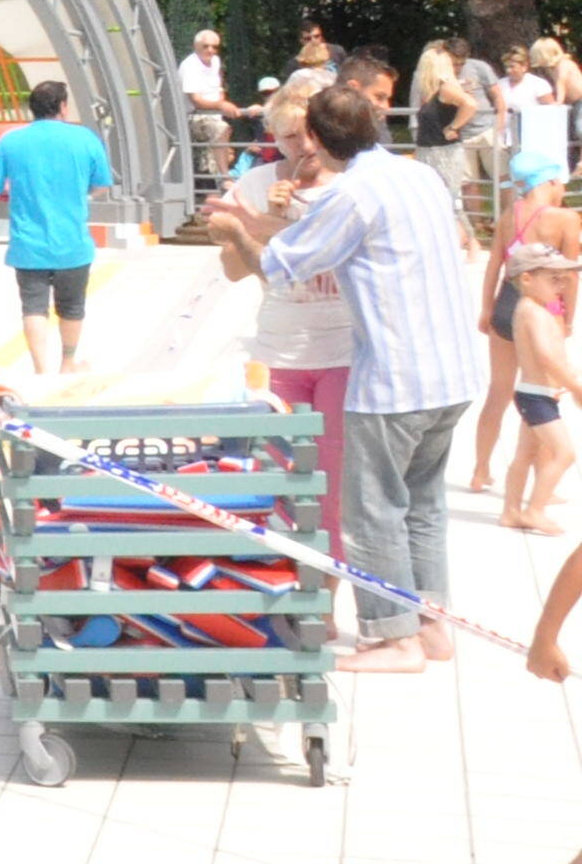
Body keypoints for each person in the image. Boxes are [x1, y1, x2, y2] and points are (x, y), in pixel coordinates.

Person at [206, 82, 482, 671]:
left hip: (395, 378)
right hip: (453, 373)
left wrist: (234, 233)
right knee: (423, 506)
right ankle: (432, 628)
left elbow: (280, 266)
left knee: (373, 510)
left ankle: (394, 639)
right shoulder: (417, 175)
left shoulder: (352, 194)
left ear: (325, 141)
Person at [222, 116, 354, 564]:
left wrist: (274, 224)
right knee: (274, 476)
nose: (301, 145)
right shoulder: (258, 183)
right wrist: (264, 221)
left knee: (332, 484)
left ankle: (327, 596)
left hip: (340, 349)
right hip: (279, 349)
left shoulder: (351, 187)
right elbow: (233, 267)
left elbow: (335, 255)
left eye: (309, 133)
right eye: (288, 136)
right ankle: (279, 580)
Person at [0, 77, 118, 375]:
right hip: (73, 243)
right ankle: (67, 364)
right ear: (63, 107)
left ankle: (41, 371)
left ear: (33, 108)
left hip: (29, 245)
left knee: (34, 308)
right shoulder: (85, 139)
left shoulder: (11, 141)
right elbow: (102, 185)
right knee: (72, 307)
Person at [473, 158, 568, 492]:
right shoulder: (563, 219)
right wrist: (567, 320)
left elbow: (493, 267)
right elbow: (569, 278)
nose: (564, 191)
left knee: (498, 392)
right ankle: (543, 484)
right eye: (561, 184)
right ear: (551, 182)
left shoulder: (506, 217)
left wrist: (486, 309)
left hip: (504, 306)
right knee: (544, 394)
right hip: (543, 312)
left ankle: (480, 469)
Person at [504, 236, 582, 536]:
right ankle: (534, 510)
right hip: (536, 398)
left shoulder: (538, 309)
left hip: (538, 394)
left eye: (563, 280)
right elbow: (546, 357)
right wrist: (574, 386)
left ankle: (511, 511)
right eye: (553, 279)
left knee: (525, 454)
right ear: (527, 278)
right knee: (564, 453)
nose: (560, 286)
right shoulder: (530, 311)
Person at [180, 30, 233, 183]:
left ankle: (216, 174)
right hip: (194, 117)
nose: (211, 50)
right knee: (220, 128)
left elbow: (219, 89)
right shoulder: (189, 66)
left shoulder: (215, 61)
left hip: (214, 115)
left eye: (214, 47)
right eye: (206, 46)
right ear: (196, 46)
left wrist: (221, 104)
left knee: (223, 128)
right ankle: (224, 176)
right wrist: (221, 105)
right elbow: (196, 100)